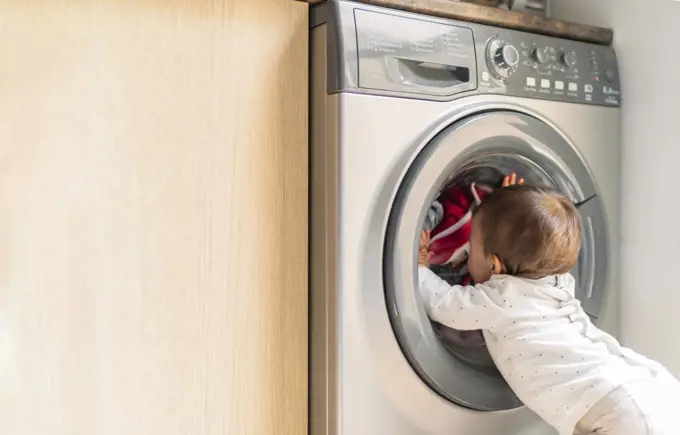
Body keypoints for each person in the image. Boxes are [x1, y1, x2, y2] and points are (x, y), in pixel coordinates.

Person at [418, 183, 680, 435]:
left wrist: (420, 268)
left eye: (471, 248)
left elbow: (444, 303)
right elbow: (533, 241)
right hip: (650, 393)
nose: (466, 253)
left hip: (618, 410)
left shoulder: (501, 300)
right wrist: (505, 219)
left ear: (495, 264)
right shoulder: (559, 283)